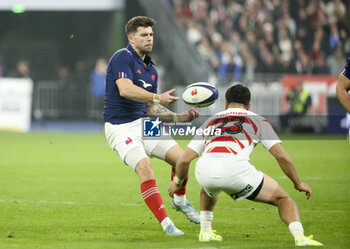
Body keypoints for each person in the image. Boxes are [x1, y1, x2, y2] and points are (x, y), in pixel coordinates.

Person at [169, 84, 323, 246]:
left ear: (226, 103)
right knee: (283, 198)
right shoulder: (258, 120)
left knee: (209, 187)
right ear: (249, 106)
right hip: (236, 171)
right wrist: (297, 183)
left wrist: (177, 183)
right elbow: (282, 157)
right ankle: (300, 237)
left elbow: (184, 159)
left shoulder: (210, 120)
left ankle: (205, 232)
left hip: (204, 169)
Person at [104, 16, 200, 236]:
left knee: (183, 159)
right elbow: (125, 90)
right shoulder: (122, 57)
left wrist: (179, 118)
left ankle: (180, 200)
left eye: (151, 35)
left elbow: (151, 108)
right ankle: (167, 224)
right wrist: (157, 96)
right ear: (131, 38)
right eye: (144, 35)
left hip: (145, 123)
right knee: (146, 168)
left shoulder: (151, 69)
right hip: (121, 126)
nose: (149, 39)